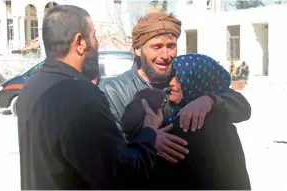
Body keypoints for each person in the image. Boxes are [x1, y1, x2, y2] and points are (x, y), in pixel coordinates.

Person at [17, 5, 164, 190]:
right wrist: (149, 131)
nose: (96, 43)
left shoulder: (31, 85)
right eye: (93, 36)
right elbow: (122, 175)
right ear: (80, 42)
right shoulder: (79, 96)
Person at [99, 12, 251, 189]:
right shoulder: (112, 91)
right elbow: (104, 151)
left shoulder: (186, 78)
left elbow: (243, 108)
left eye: (171, 46)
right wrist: (147, 140)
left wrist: (210, 100)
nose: (165, 55)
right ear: (137, 50)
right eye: (156, 47)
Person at [148, 54, 251, 190]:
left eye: (180, 78)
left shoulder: (209, 123)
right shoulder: (163, 103)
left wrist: (211, 100)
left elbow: (232, 177)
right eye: (171, 76)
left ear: (197, 82)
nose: (171, 82)